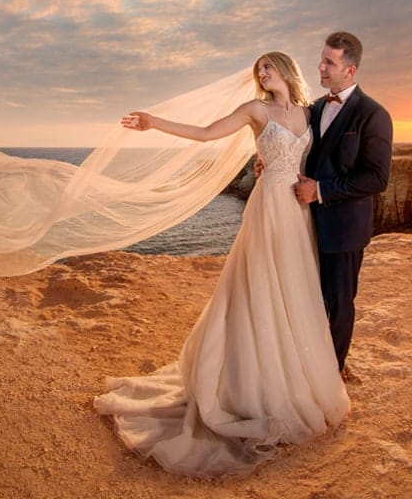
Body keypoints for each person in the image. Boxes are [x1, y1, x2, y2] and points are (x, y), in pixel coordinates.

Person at [94, 52, 349, 479]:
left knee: (295, 291)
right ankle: (248, 389)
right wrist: (155, 122)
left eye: (268, 67)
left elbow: (318, 161)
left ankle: (290, 384)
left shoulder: (310, 113)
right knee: (259, 289)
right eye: (258, 71)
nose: (262, 74)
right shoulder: (255, 109)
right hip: (268, 208)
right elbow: (209, 133)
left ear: (286, 70)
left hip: (297, 211)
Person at [294, 31, 393, 377]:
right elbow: (302, 152)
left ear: (349, 70)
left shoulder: (373, 115)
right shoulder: (316, 108)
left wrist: (320, 190)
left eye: (329, 62)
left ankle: (332, 372)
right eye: (321, 59)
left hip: (344, 230)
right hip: (306, 223)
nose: (320, 67)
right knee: (307, 298)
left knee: (338, 303)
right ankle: (308, 363)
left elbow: (377, 178)